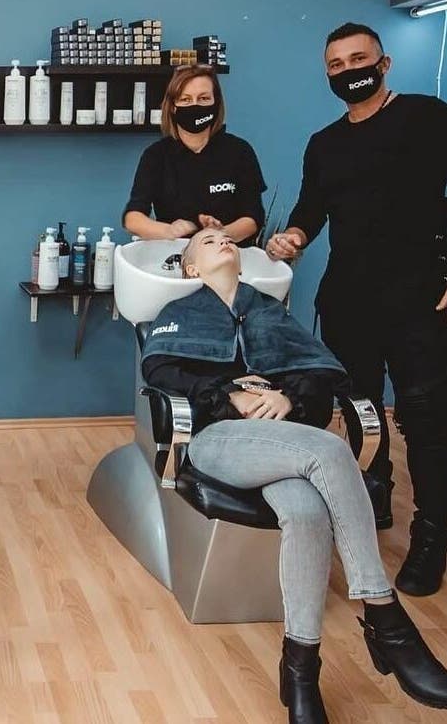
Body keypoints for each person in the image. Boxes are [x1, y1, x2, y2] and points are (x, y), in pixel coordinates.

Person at [144, 228, 447, 722]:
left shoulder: (270, 312)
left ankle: (300, 669)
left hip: (284, 438)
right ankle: (385, 619)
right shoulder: (179, 313)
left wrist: (288, 398)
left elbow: (320, 374)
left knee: (306, 513)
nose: (222, 241)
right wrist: (232, 396)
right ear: (191, 268)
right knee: (329, 450)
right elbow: (161, 373)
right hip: (221, 437)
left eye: (227, 238)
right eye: (208, 241)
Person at [267, 22, 447, 594]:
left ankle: (432, 535)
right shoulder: (325, 143)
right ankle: (374, 497)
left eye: (358, 59)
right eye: (337, 65)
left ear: (384, 63)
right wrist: (294, 236)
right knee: (360, 411)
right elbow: (311, 208)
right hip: (349, 299)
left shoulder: (427, 118)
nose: (349, 71)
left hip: (419, 297)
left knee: (425, 417)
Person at [124, 64, 267, 244]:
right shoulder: (156, 155)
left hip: (228, 253)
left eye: (204, 98)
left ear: (216, 103)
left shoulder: (240, 151)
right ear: (173, 106)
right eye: (185, 99)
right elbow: (133, 218)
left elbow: (253, 217)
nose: (195, 105)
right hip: (175, 254)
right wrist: (169, 230)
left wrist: (219, 234)